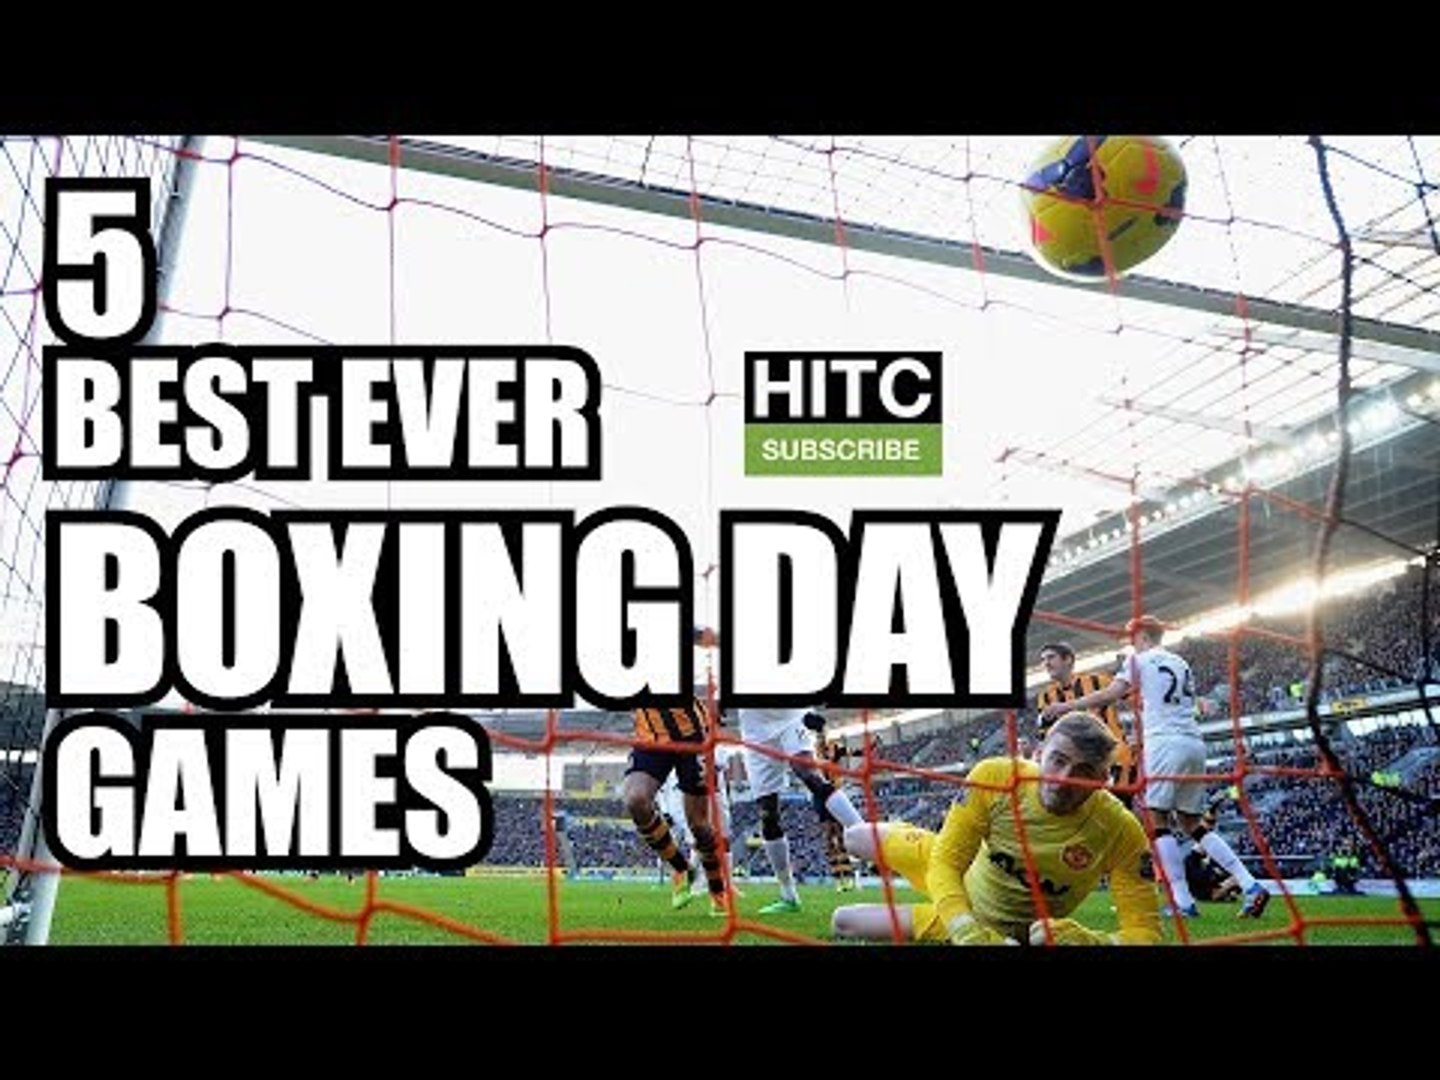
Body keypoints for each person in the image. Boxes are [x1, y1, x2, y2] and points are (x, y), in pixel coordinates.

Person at [831, 712, 1161, 945]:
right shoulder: (996, 777)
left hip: (991, 926)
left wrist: (1093, 941)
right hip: (954, 872)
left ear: (1102, 781)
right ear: (1038, 754)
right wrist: (962, 925)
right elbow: (945, 863)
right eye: (1058, 760)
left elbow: (1145, 931)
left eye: (1083, 772)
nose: (1063, 780)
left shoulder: (1120, 830)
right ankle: (909, 836)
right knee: (855, 836)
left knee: (843, 921)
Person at [1040, 615, 1270, 920]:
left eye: (1131, 637)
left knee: (1156, 821)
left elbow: (1110, 694)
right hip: (1193, 743)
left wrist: (1066, 707)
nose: (1129, 643)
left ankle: (1182, 902)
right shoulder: (1180, 662)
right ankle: (1250, 884)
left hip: (1164, 742)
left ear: (1142, 636)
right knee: (1192, 823)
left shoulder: (1138, 660)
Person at [622, 628, 729, 916]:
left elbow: (708, 637)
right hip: (650, 739)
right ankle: (681, 868)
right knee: (635, 800)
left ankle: (718, 891)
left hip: (692, 737)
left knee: (699, 825)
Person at [1035, 641, 1137, 808]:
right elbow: (1045, 735)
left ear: (1068, 659)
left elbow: (1136, 699)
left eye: (1051, 657)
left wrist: (1138, 732)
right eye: (1043, 659)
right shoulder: (1045, 697)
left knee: (1122, 808)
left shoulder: (1098, 680)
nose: (1046, 663)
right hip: (1078, 768)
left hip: (1116, 760)